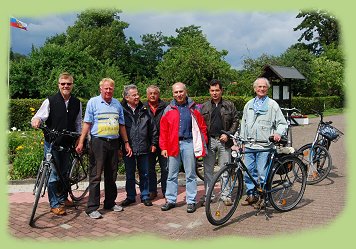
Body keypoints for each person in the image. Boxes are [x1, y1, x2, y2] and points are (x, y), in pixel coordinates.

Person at [75, 78, 132, 219]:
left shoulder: (117, 104)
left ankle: (110, 203)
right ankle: (92, 208)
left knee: (111, 174)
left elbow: (122, 125)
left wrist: (126, 142)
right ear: (100, 89)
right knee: (95, 175)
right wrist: (81, 142)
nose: (108, 91)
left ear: (113, 89)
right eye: (105, 88)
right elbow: (87, 123)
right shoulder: (93, 102)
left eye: (110, 88)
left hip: (113, 142)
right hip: (98, 142)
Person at [31, 72, 82, 216]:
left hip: (67, 143)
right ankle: (54, 204)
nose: (66, 86)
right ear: (58, 85)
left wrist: (79, 138)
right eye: (63, 84)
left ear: (72, 85)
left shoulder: (76, 102)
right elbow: (39, 116)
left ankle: (63, 198)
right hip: (52, 143)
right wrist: (36, 121)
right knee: (53, 175)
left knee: (64, 173)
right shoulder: (50, 100)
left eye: (68, 84)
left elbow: (78, 122)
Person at [159, 82, 208, 213]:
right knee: (171, 174)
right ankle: (170, 200)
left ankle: (191, 201)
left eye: (181, 91)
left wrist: (202, 143)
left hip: (188, 143)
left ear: (186, 92)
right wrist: (163, 147)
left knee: (190, 174)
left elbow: (202, 127)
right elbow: (163, 130)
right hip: (172, 144)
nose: (179, 94)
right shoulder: (168, 109)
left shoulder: (194, 107)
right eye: (176, 92)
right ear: (173, 94)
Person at [239, 77, 287, 207]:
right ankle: (251, 194)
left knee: (261, 172)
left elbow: (282, 123)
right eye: (259, 87)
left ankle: (263, 196)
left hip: (264, 146)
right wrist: (241, 141)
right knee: (248, 171)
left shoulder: (272, 105)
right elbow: (243, 124)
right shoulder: (248, 105)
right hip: (249, 144)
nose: (261, 89)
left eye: (264, 87)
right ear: (254, 89)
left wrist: (277, 133)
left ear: (267, 89)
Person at [200, 79, 239, 206]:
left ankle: (226, 195)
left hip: (224, 142)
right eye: (212, 91)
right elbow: (200, 124)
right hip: (210, 141)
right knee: (208, 170)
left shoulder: (229, 105)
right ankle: (209, 194)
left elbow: (235, 120)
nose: (215, 93)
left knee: (225, 169)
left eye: (217, 90)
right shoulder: (204, 106)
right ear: (209, 91)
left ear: (221, 90)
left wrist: (228, 134)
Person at [120, 84, 158, 207]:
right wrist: (120, 147)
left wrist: (153, 143)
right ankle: (130, 196)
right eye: (134, 95)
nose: (137, 97)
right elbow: (118, 130)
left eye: (137, 94)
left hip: (144, 147)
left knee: (145, 173)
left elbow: (153, 128)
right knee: (129, 174)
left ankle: (145, 196)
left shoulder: (145, 109)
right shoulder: (121, 110)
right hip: (128, 148)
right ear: (126, 97)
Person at [143, 85, 168, 200]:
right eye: (150, 93)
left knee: (165, 168)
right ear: (147, 95)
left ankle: (166, 190)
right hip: (148, 142)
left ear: (159, 94)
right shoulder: (142, 107)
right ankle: (152, 190)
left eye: (155, 93)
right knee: (149, 168)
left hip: (164, 142)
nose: (152, 95)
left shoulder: (166, 107)